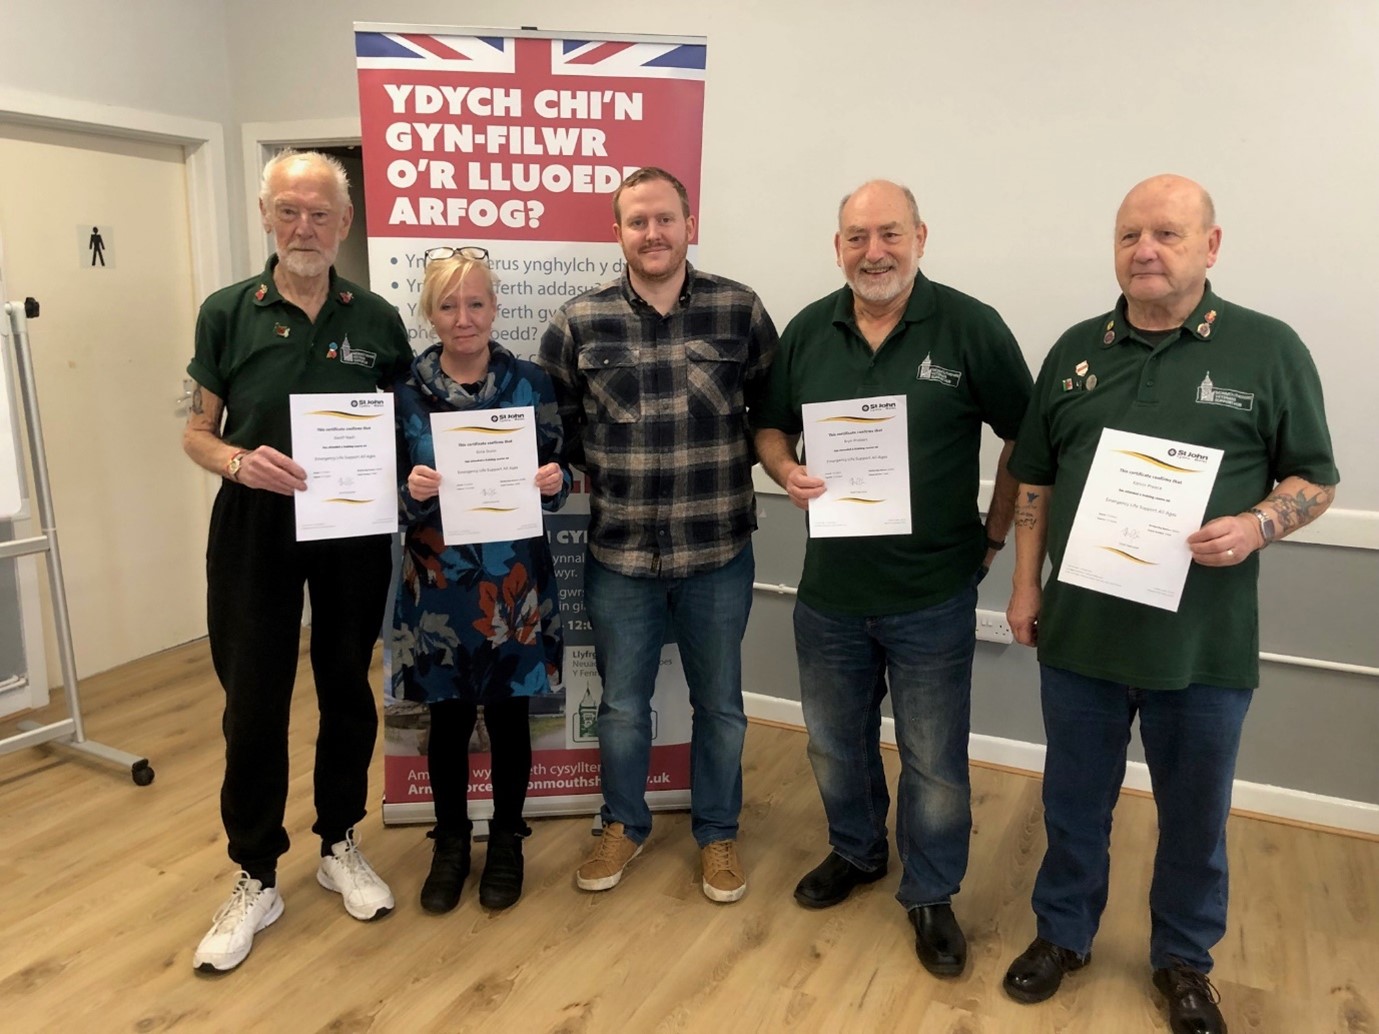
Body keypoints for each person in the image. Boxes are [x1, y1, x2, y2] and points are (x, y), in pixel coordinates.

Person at [1000, 174, 1338, 1034]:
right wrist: (1023, 585)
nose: (1144, 250)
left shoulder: (1267, 349)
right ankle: (1062, 934)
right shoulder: (1076, 351)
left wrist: (1260, 524)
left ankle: (1183, 961)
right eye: (1127, 236)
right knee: (1074, 799)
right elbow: (1032, 476)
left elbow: (1316, 479)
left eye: (1166, 234)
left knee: (1194, 815)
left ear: (1209, 246)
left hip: (1203, 645)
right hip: (1080, 634)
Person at [753, 179, 1032, 976]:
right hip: (831, 591)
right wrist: (784, 469)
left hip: (931, 592)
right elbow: (768, 425)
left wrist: (994, 533)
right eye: (855, 237)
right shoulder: (810, 328)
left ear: (920, 236)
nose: (872, 251)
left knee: (934, 762)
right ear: (836, 245)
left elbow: (1026, 436)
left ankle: (931, 892)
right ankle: (857, 851)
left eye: (888, 234)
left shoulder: (970, 326)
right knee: (835, 749)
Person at [183, 150, 412, 973]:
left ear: (345, 224)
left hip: (350, 525)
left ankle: (339, 841)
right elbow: (194, 432)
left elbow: (401, 427)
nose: (304, 227)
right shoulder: (225, 312)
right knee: (254, 698)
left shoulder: (378, 320)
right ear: (266, 217)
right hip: (254, 523)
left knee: (347, 685)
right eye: (289, 211)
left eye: (320, 213)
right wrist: (236, 461)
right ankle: (254, 874)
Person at [537, 167, 778, 903]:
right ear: (617, 232)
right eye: (636, 221)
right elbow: (556, 430)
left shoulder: (739, 310)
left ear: (688, 224)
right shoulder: (577, 322)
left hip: (717, 553)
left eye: (664, 219)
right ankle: (623, 824)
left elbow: (769, 412)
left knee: (723, 707)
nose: (652, 233)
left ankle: (717, 833)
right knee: (619, 708)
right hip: (619, 557)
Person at [393, 247, 570, 914]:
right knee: (444, 722)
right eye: (448, 305)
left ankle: (505, 840)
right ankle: (449, 844)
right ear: (430, 314)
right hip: (436, 588)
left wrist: (556, 482)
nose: (462, 318)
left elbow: (561, 470)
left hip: (515, 584)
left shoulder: (531, 383)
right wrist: (406, 488)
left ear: (495, 308)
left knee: (507, 718)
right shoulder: (402, 393)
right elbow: (380, 491)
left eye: (475, 303)